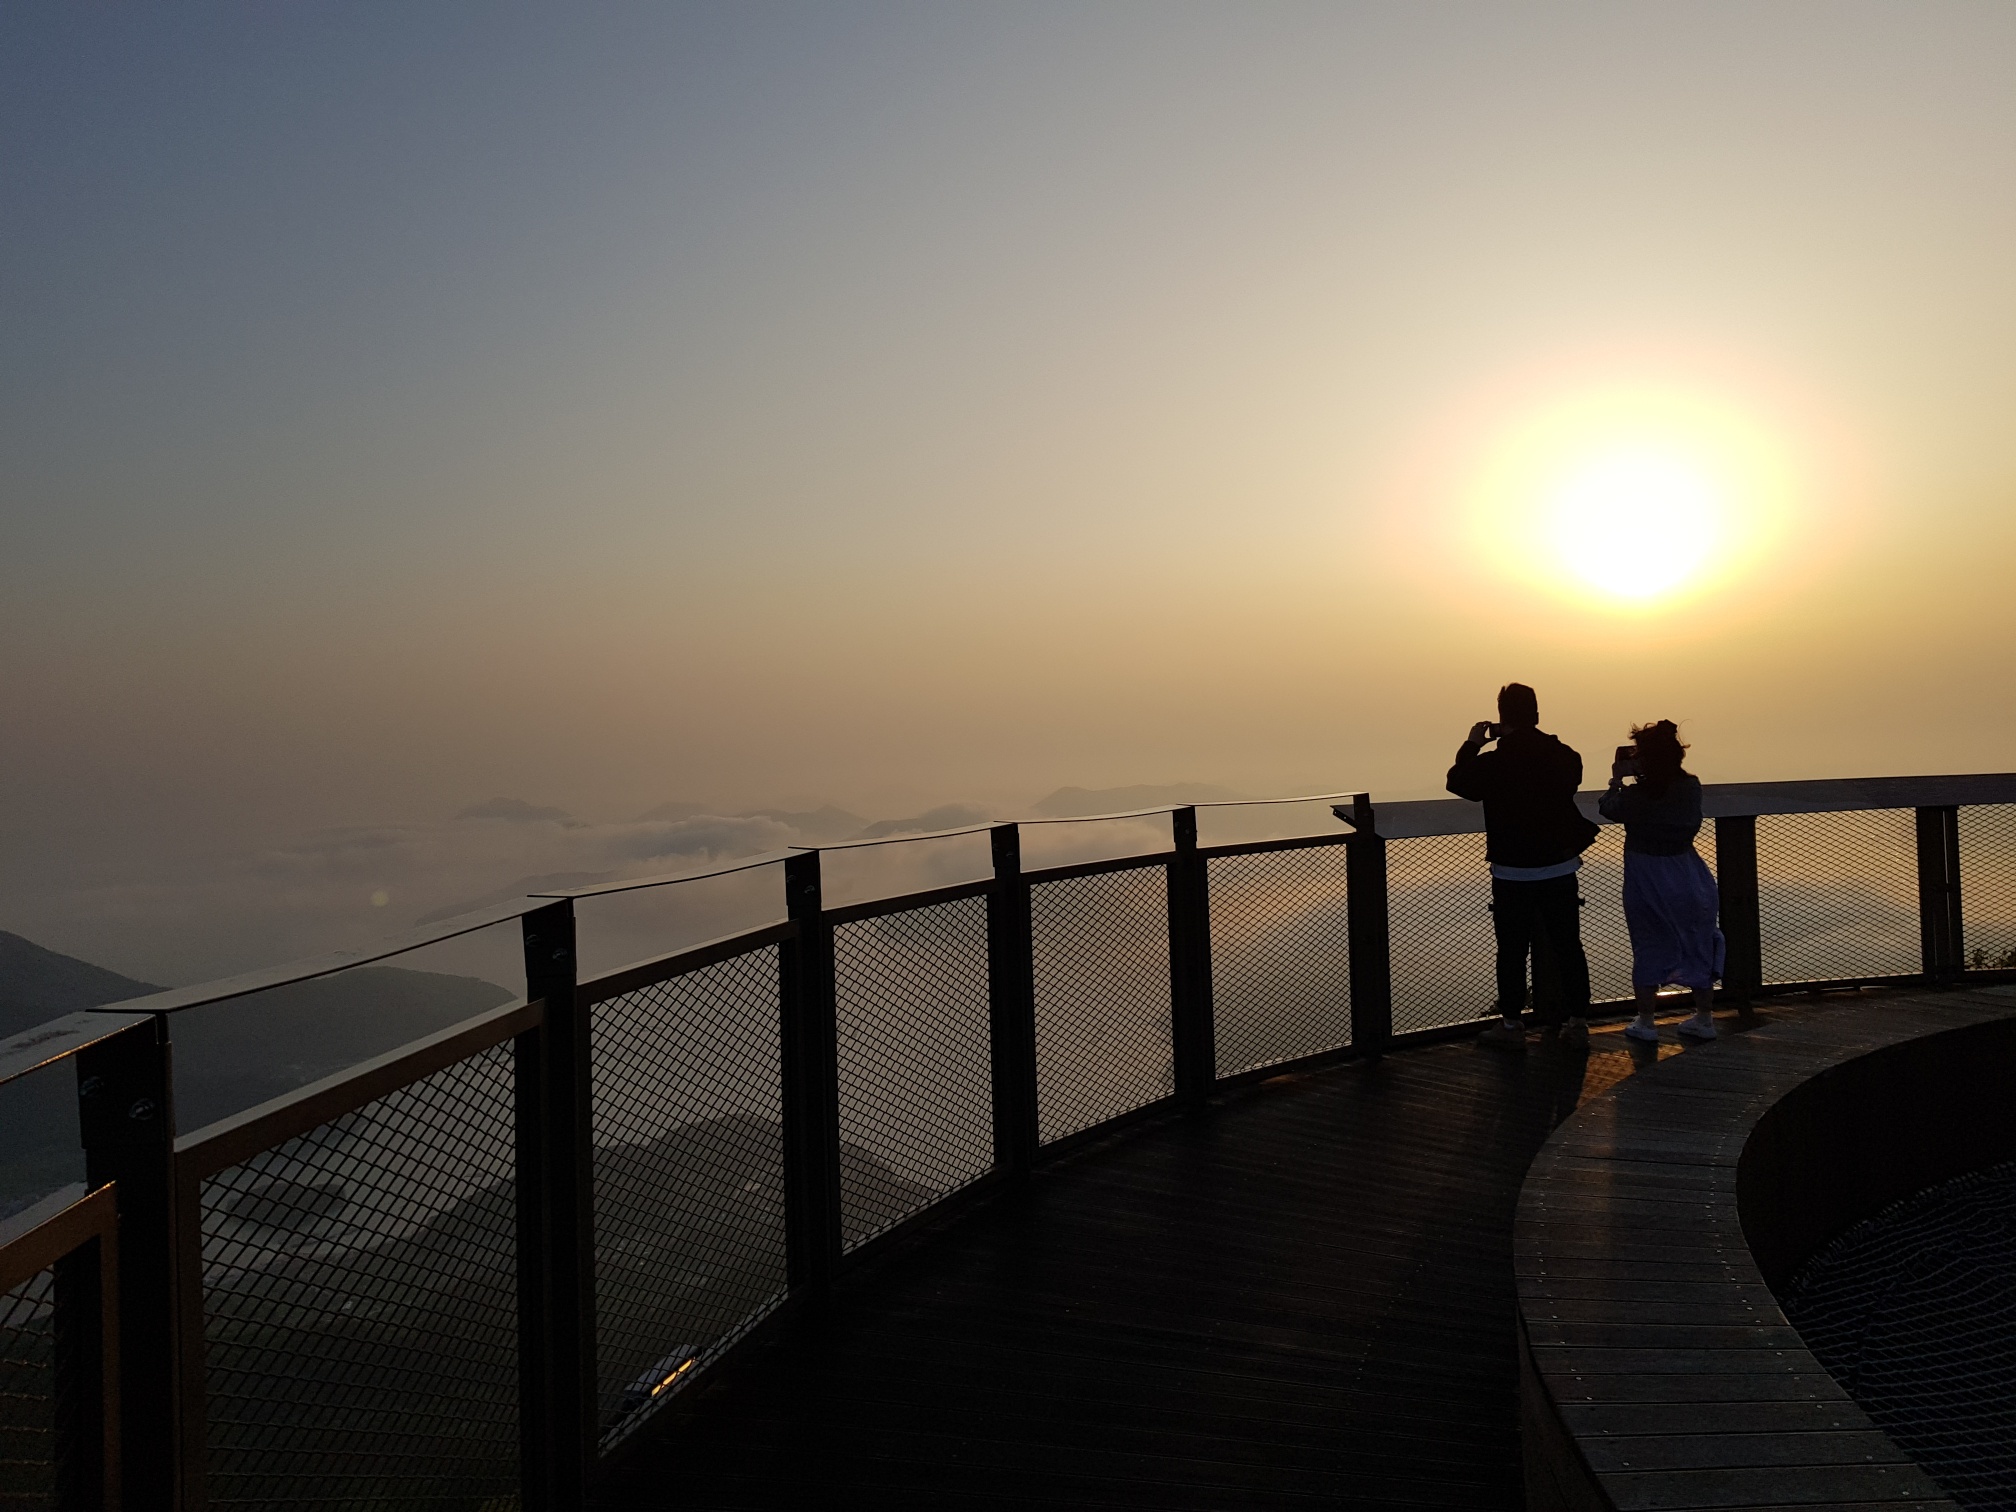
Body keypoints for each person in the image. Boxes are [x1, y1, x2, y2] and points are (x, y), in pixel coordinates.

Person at [1446, 683, 1600, 1050]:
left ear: (1500, 718)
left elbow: (1457, 782)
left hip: (1512, 871)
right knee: (1567, 946)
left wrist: (1472, 743)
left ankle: (1512, 1025)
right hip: (1559, 866)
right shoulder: (1563, 755)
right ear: (1535, 714)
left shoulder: (1493, 763)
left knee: (1512, 950)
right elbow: (1572, 775)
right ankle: (1577, 1023)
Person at [1599, 720, 1724, 1043]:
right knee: (1697, 939)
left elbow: (1608, 809)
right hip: (1689, 871)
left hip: (1647, 876)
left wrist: (1616, 778)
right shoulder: (1691, 787)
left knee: (1649, 941)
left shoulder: (1637, 796)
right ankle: (1704, 1018)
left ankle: (1646, 1021)